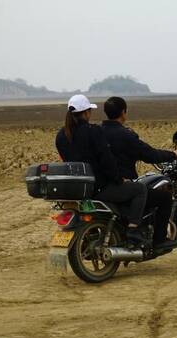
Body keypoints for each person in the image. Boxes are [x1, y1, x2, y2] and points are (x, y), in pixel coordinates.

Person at [55, 94, 148, 246]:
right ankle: (133, 231)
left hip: (77, 189)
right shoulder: (93, 131)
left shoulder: (61, 136)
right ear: (86, 113)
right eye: (89, 111)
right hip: (98, 187)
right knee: (139, 190)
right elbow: (106, 160)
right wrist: (119, 179)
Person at [101, 96, 177, 248]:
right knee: (164, 197)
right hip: (121, 186)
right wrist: (171, 155)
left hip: (103, 185)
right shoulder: (125, 135)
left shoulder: (97, 132)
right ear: (123, 112)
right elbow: (149, 154)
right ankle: (159, 240)